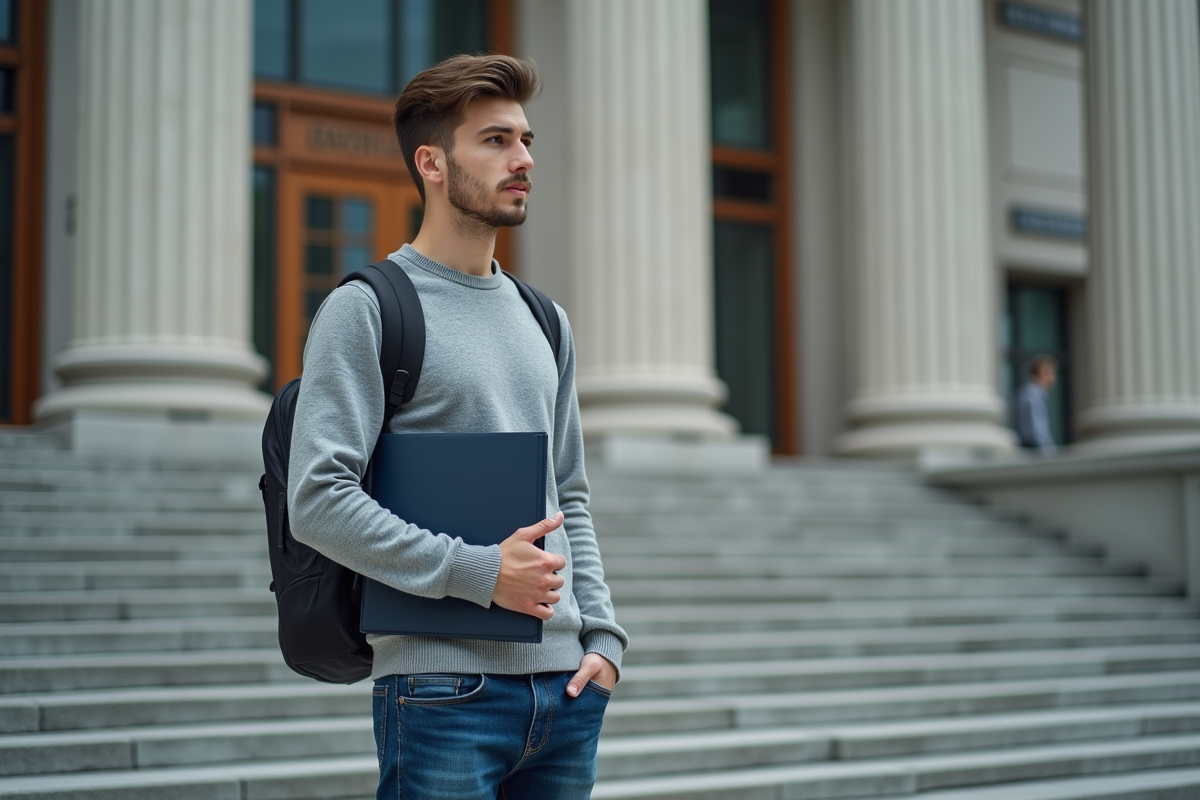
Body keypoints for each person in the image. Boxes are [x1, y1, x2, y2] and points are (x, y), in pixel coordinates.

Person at [287, 54, 627, 799]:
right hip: (441, 694)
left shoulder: (547, 319)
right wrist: (477, 572)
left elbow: (568, 491)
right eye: (496, 140)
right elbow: (317, 498)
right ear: (432, 162)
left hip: (568, 694)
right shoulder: (368, 308)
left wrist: (601, 640)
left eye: (526, 140)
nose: (524, 160)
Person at [1016, 355, 1058, 455]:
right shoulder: (1034, 394)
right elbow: (1037, 429)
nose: (1053, 378)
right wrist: (1049, 452)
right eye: (1050, 373)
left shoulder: (1025, 392)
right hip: (1033, 451)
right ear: (1042, 373)